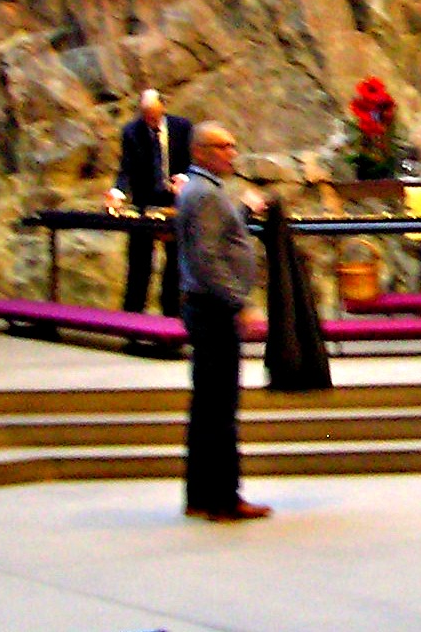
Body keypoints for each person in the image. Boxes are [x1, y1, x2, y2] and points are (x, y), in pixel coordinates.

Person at [175, 120, 271, 522]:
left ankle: (200, 494)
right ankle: (223, 498)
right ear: (199, 152)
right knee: (219, 407)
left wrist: (245, 212)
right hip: (213, 309)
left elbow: (217, 240)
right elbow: (207, 259)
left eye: (233, 145)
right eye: (222, 146)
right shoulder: (204, 194)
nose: (231, 153)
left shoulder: (202, 190)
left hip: (205, 305)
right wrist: (239, 303)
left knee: (207, 405)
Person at [115, 89, 192, 317]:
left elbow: (192, 162)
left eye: (155, 115)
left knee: (175, 264)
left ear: (163, 108)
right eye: (146, 116)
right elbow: (127, 168)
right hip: (145, 202)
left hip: (175, 203)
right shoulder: (131, 131)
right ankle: (132, 316)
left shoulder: (182, 128)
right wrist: (118, 192)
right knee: (139, 263)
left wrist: (184, 179)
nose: (151, 121)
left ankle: (172, 315)